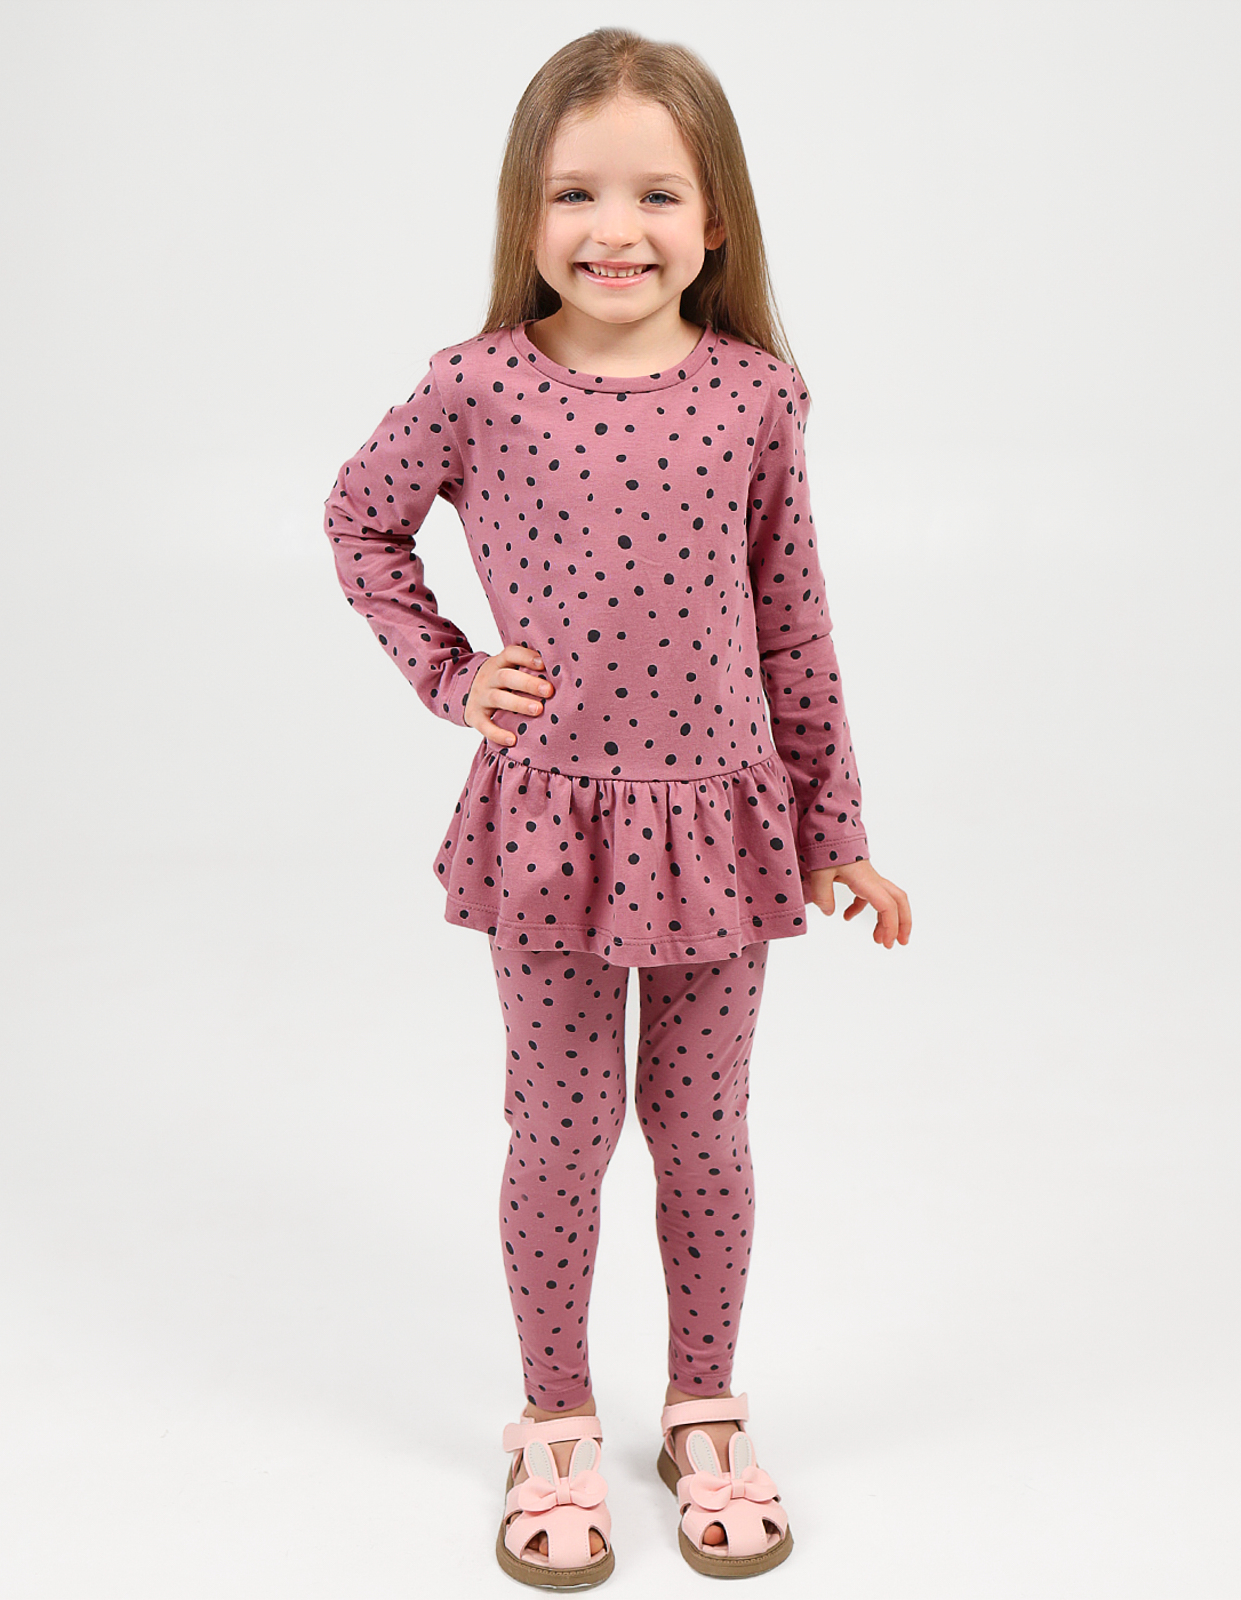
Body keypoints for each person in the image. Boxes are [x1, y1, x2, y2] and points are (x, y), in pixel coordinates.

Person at [322, 25, 911, 1587]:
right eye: (576, 192)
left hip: (721, 831)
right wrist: (452, 676)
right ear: (526, 211)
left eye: (657, 194)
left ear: (715, 220)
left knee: (701, 1131)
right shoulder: (476, 388)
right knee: (561, 1130)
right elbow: (362, 524)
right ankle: (555, 1418)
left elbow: (794, 620)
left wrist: (839, 830)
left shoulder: (755, 397)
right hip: (551, 831)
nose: (616, 229)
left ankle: (704, 1406)